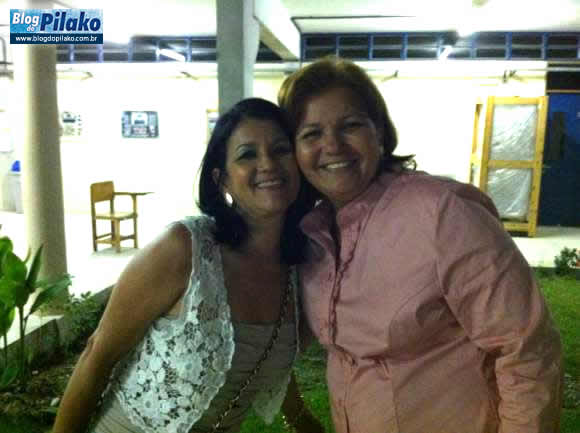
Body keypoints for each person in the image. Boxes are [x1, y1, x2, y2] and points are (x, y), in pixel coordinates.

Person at [278, 57, 563, 433]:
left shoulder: (441, 213)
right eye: (311, 134)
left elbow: (525, 348)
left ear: (380, 133)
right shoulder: (313, 235)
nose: (332, 145)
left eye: (351, 125)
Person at [52, 98, 324, 433]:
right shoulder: (185, 249)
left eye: (281, 150)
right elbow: (98, 355)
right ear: (222, 180)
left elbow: (263, 356)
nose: (267, 164)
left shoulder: (301, 269)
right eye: (247, 155)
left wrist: (304, 423)